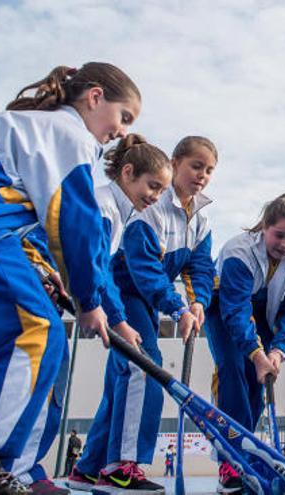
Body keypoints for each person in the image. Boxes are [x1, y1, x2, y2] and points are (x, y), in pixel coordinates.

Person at [0, 62, 140, 495]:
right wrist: (88, 301)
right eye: (125, 117)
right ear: (95, 97)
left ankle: (10, 466)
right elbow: (71, 223)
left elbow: (29, 218)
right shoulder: (70, 135)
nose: (123, 132)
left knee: (41, 344)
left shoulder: (38, 131)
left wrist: (47, 274)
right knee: (35, 331)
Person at [83, 136, 217, 494]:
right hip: (125, 291)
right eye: (195, 165)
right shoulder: (150, 207)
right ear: (175, 163)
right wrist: (176, 307)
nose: (202, 175)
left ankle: (89, 466)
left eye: (209, 170)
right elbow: (144, 270)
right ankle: (121, 467)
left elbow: (201, 267)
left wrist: (198, 301)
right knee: (145, 369)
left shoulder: (201, 218)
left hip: (146, 297)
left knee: (122, 383)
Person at [66, 134, 172, 492]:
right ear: (127, 173)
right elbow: (97, 270)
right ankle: (118, 469)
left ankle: (90, 468)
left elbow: (101, 271)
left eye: (161, 190)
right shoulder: (106, 207)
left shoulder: (117, 211)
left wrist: (114, 317)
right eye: (152, 186)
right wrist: (117, 319)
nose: (155, 196)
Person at [204, 193, 285, 494]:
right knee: (233, 369)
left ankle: (246, 453)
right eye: (279, 235)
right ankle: (229, 460)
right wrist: (255, 352)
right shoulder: (239, 251)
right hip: (225, 308)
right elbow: (236, 310)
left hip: (265, 312)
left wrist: (277, 351)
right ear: (264, 226)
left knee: (258, 379)